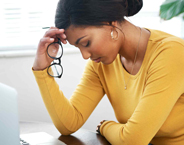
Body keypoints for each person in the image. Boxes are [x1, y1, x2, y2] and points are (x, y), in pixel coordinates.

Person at [32, 0, 184, 144]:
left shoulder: (171, 53)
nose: (85, 56)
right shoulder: (101, 64)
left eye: (86, 43)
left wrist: (105, 126)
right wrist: (42, 70)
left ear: (110, 23)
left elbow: (132, 141)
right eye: (78, 47)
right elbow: (68, 124)